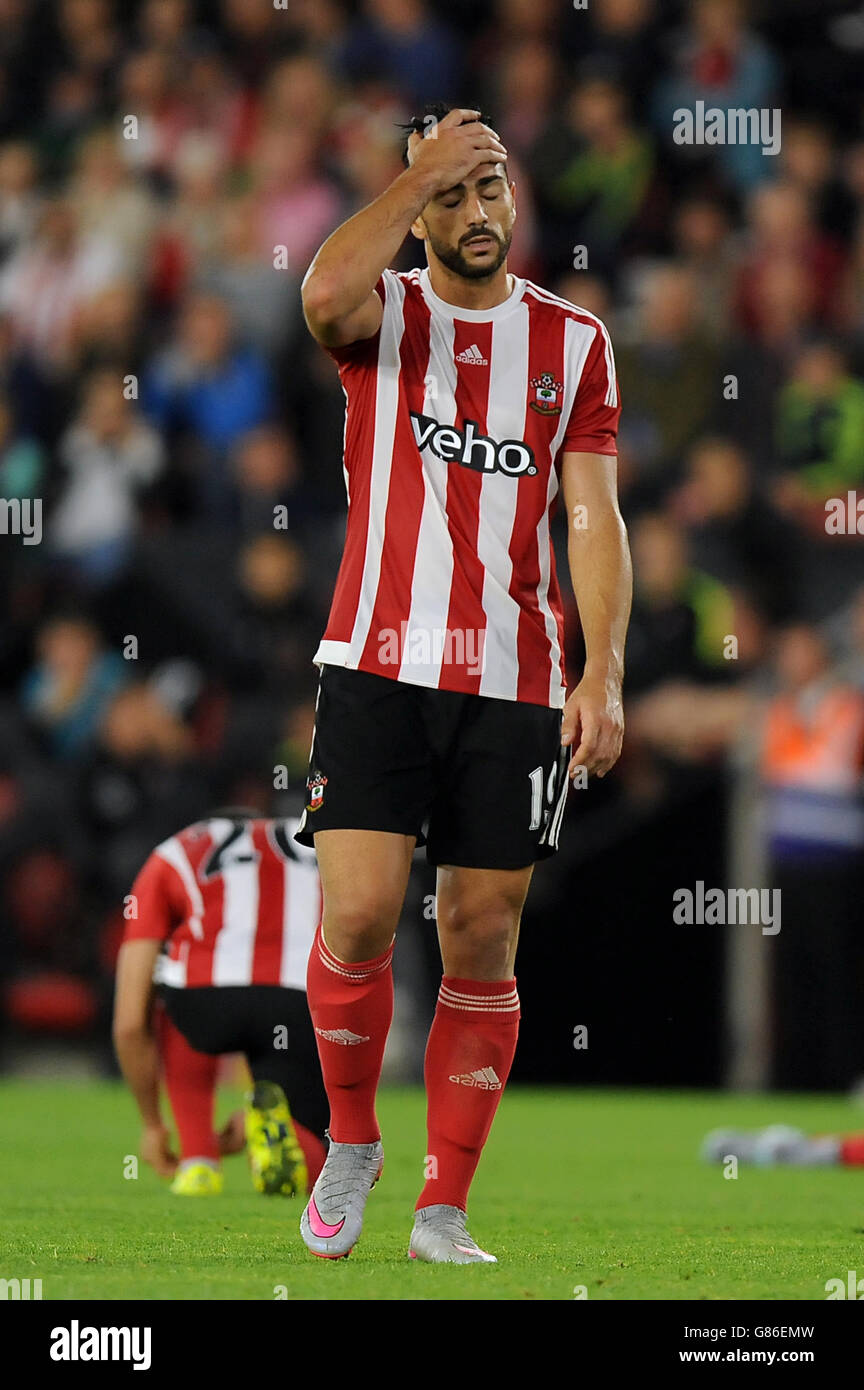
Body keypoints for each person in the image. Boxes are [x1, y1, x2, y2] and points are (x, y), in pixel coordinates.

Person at [295, 103, 631, 1262]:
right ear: (420, 208)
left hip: (517, 681)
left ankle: (444, 1208)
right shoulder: (381, 313)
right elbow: (319, 296)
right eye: (452, 194)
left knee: (482, 932)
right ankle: (350, 1138)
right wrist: (412, 175)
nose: (477, 213)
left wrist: (606, 668)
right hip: (376, 661)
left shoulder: (573, 345)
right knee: (356, 911)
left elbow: (593, 516)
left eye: (490, 190)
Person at [113, 809, 328, 1197]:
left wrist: (151, 1123)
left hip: (205, 999)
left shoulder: (176, 850)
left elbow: (129, 1020)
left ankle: (197, 1159)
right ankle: (286, 1134)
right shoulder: (317, 842)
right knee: (314, 1140)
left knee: (172, 985)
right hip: (303, 997)